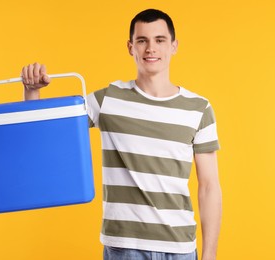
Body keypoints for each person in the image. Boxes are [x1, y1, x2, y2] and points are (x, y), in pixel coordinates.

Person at [21, 9, 222, 260]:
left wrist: (210, 254)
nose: (151, 48)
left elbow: (209, 186)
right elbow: (44, 137)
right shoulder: (107, 99)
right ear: (130, 47)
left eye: (159, 40)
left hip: (180, 248)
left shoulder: (199, 108)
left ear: (174, 46)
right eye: (142, 40)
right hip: (124, 248)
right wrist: (32, 92)